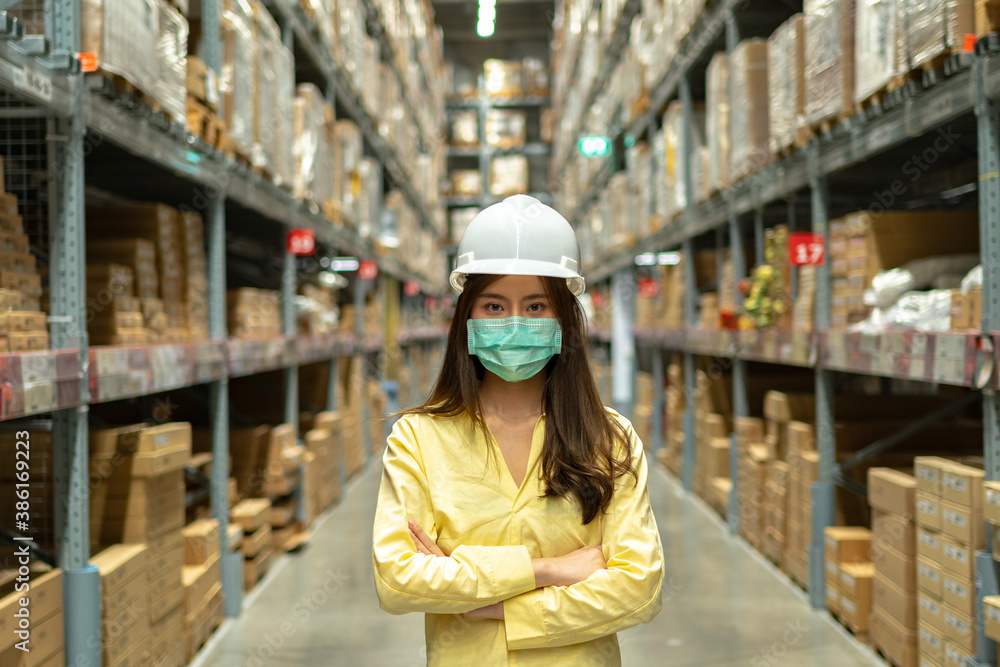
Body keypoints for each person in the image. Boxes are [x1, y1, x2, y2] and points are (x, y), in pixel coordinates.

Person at [372, 194, 664, 665]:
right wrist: (550, 569)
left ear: (564, 322)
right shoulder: (418, 439)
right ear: (465, 319)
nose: (512, 324)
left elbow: (639, 586)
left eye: (534, 308)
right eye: (493, 306)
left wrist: (495, 604)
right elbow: (396, 579)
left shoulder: (609, 438)